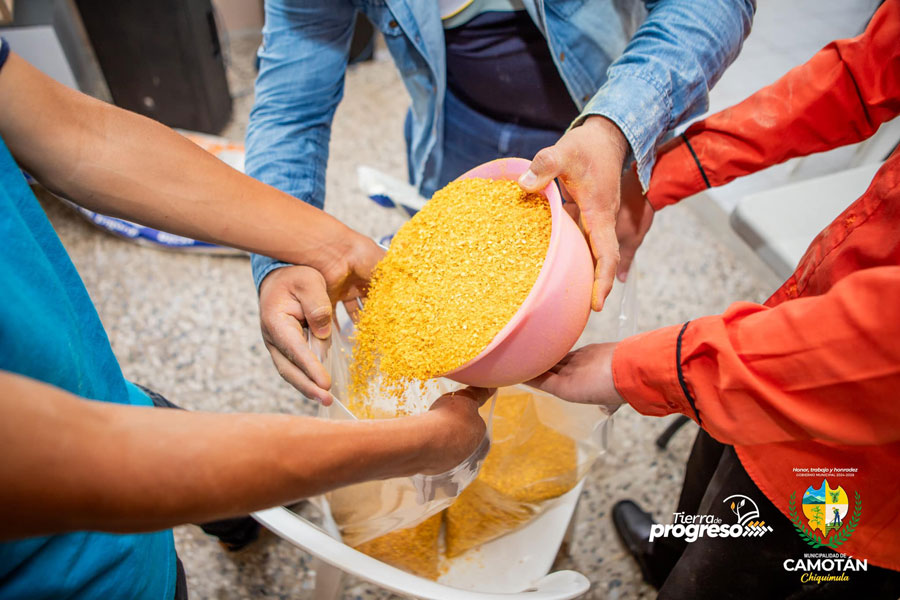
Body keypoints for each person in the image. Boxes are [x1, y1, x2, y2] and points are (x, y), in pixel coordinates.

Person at [0, 42, 492, 599]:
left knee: (157, 415)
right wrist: (417, 447)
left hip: (95, 386)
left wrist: (328, 247)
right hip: (78, 577)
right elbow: (98, 466)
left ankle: (238, 524)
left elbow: (78, 136)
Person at [529, 1, 900, 597]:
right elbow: (861, 76)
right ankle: (667, 554)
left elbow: (879, 348)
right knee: (718, 461)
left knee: (733, 566)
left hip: (867, 457)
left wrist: (640, 369)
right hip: (798, 322)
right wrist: (663, 176)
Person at [244, 0, 755, 404]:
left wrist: (619, 128)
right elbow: (291, 108)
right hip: (457, 143)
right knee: (462, 329)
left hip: (602, 127)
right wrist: (283, 252)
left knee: (572, 310)